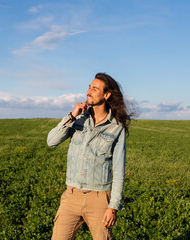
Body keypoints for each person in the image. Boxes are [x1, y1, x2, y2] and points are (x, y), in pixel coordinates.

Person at [47, 73, 132, 240]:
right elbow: (51, 141)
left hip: (99, 199)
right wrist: (71, 116)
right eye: (89, 87)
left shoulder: (116, 128)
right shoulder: (78, 119)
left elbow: (119, 172)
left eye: (95, 88)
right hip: (71, 197)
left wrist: (112, 206)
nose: (89, 91)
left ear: (106, 95)